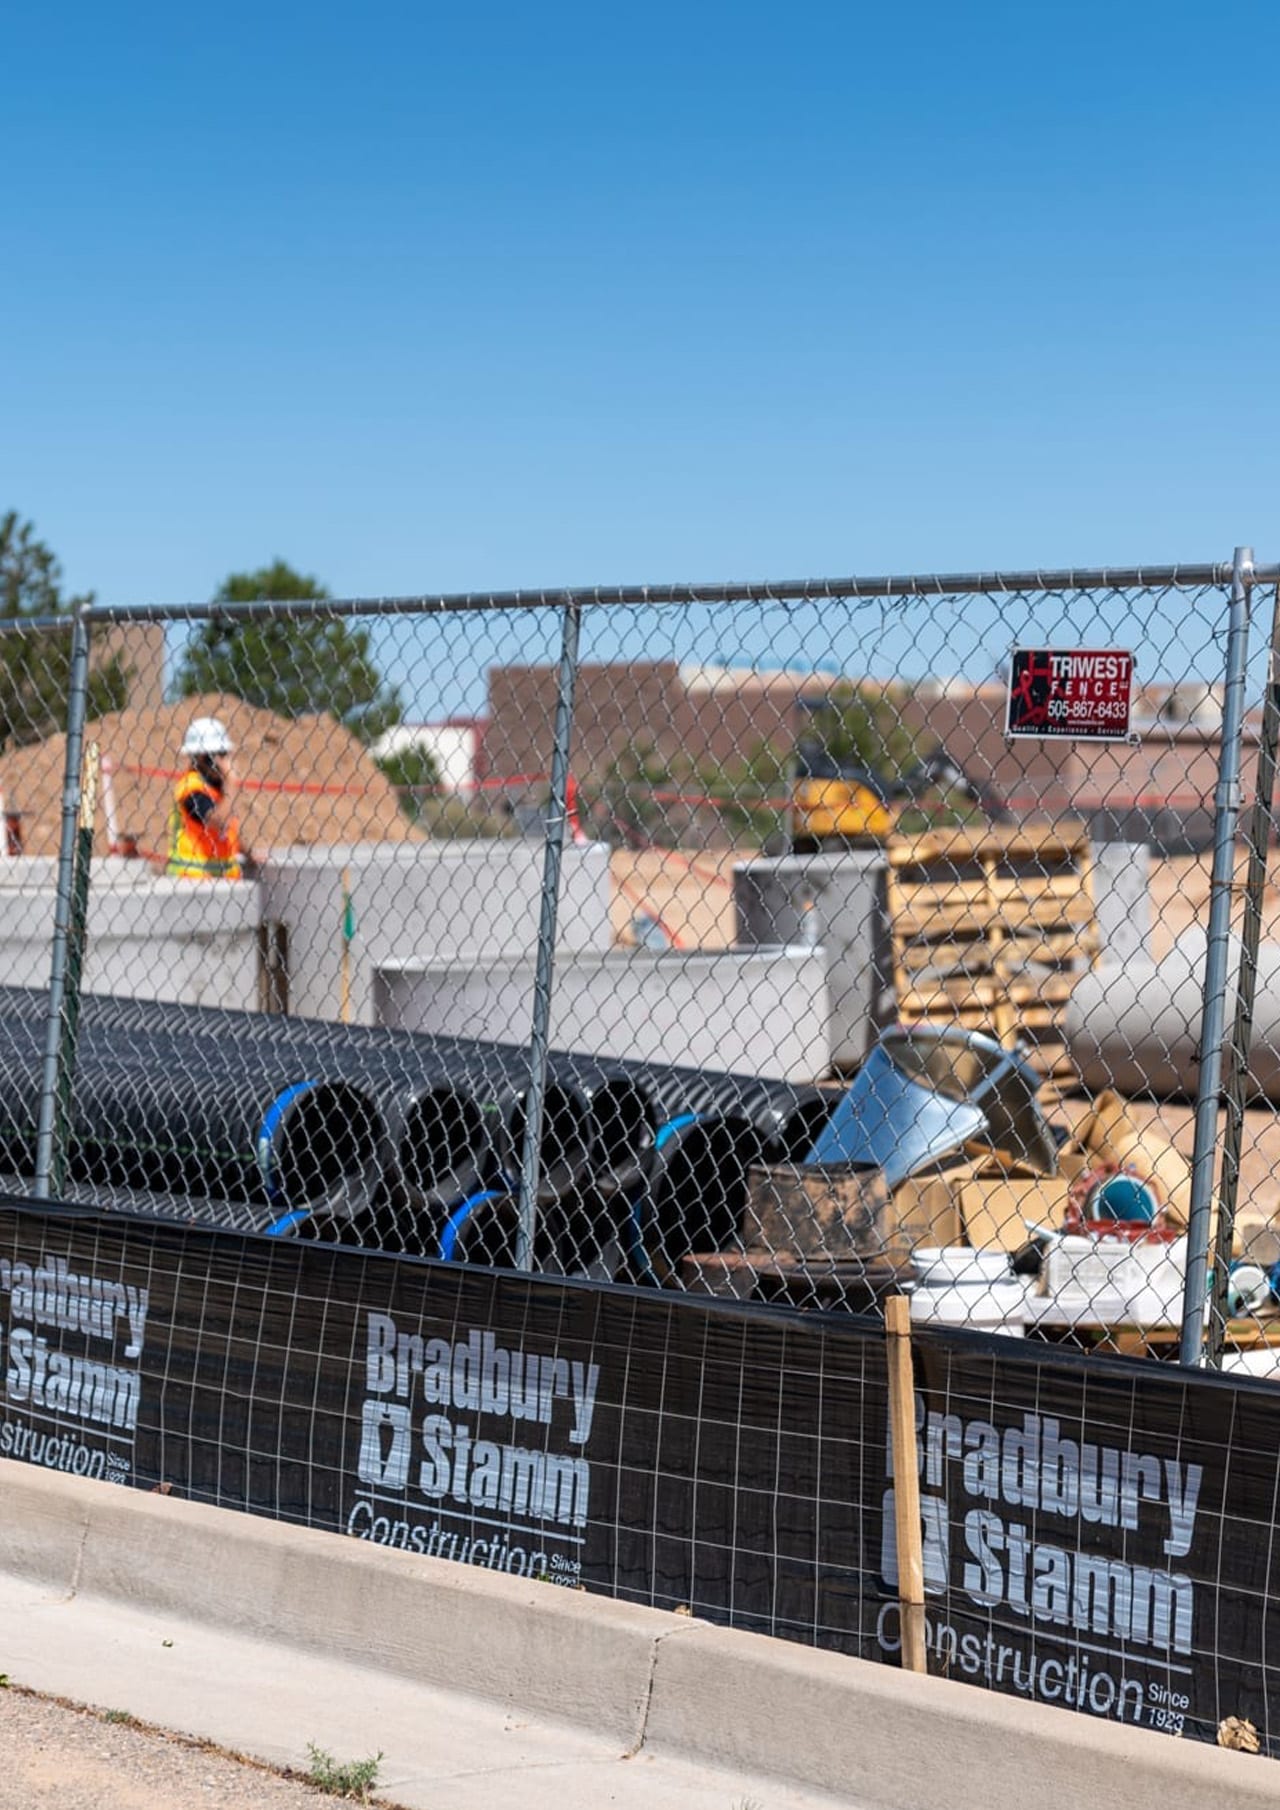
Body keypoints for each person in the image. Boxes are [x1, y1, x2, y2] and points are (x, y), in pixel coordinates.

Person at [166, 717, 244, 880]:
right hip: (193, 884)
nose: (224, 761)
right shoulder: (191, 788)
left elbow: (227, 832)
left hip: (223, 885)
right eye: (218, 755)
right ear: (201, 757)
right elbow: (217, 821)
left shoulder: (217, 788)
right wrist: (231, 781)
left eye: (225, 754)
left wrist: (248, 852)